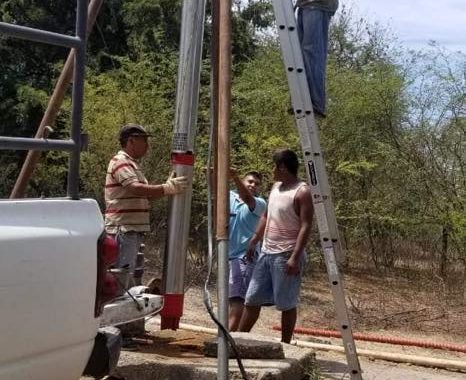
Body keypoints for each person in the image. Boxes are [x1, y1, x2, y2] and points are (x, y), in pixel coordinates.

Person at [238, 149, 313, 343]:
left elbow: (306, 225)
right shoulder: (276, 187)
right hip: (266, 251)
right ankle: (238, 340)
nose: (272, 170)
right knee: (252, 298)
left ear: (282, 168)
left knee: (286, 302)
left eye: (274, 166)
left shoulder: (302, 191)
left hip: (286, 253)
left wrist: (295, 257)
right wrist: (254, 240)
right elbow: (266, 215)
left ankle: (285, 344)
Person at [104, 123, 188, 290]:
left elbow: (144, 197)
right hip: (124, 229)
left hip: (131, 230)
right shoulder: (121, 162)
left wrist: (164, 188)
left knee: (129, 279)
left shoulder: (132, 164)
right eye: (144, 140)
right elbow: (134, 188)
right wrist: (166, 188)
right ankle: (117, 313)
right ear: (131, 141)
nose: (147, 146)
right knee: (121, 279)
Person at [228, 169, 267, 331]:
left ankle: (229, 339)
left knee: (237, 300)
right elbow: (216, 189)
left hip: (243, 257)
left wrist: (234, 176)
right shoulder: (230, 197)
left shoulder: (259, 203)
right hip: (228, 256)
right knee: (231, 300)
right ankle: (230, 337)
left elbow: (246, 197)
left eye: (256, 184)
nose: (252, 185)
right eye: (249, 181)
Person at [296, 0, 339, 117]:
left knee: (312, 52)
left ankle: (315, 102)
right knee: (299, 55)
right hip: (304, 6)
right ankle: (300, 98)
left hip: (317, 5)